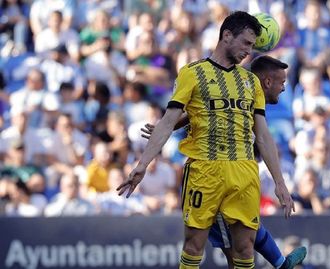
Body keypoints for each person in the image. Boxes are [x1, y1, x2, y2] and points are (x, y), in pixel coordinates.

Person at [117, 11, 295, 269]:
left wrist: (280, 182)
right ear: (226, 35)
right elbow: (168, 122)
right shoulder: (192, 73)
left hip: (244, 170)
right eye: (245, 43)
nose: (249, 50)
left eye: (252, 44)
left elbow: (263, 135)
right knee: (193, 246)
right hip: (204, 169)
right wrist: (142, 165)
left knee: (245, 248)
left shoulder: (250, 82)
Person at [141, 55, 307, 269]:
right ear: (266, 81)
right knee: (234, 248)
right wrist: (166, 127)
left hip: (234, 172)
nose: (284, 88)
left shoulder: (247, 99)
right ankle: (280, 263)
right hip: (211, 173)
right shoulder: (233, 88)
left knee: (244, 238)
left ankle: (280, 262)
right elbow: (198, 112)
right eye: (282, 82)